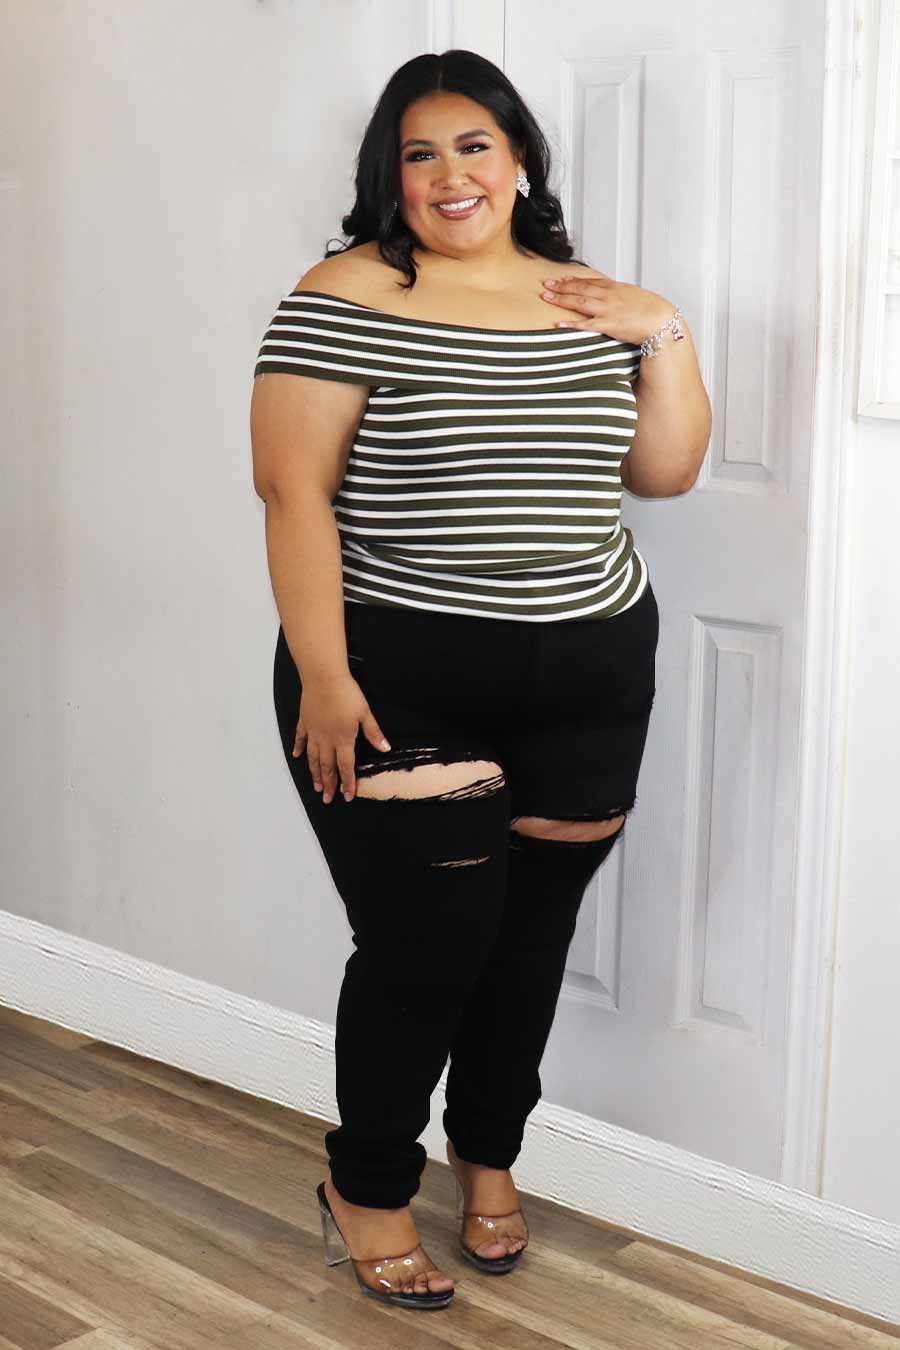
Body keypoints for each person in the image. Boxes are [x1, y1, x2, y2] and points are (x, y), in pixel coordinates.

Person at [250, 49, 711, 1313]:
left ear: (518, 162)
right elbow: (293, 493)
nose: (450, 175)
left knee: (529, 944)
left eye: (473, 146)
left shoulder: (586, 299)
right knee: (425, 947)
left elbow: (663, 473)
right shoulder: (347, 292)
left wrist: (661, 328)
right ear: (388, 176)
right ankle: (368, 1184)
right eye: (420, 153)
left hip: (592, 669)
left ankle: (489, 1154)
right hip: (395, 675)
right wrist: (324, 676)